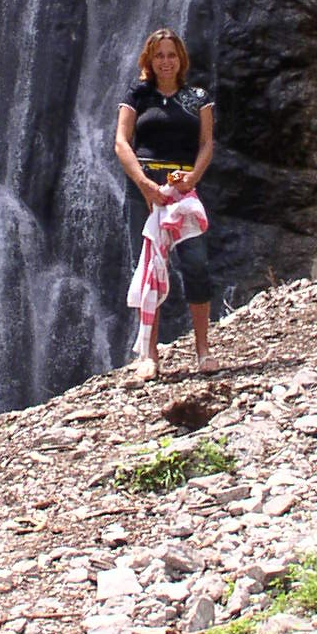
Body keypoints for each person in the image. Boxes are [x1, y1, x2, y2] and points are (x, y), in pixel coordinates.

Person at [115, 28, 217, 379]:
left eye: (171, 54)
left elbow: (206, 144)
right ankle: (149, 355)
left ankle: (203, 351)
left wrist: (193, 179)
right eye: (159, 55)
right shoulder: (137, 96)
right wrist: (144, 185)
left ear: (181, 59)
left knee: (196, 263)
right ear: (149, 59)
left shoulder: (198, 97)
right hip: (145, 189)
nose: (165, 61)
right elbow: (121, 143)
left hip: (184, 188)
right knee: (149, 269)